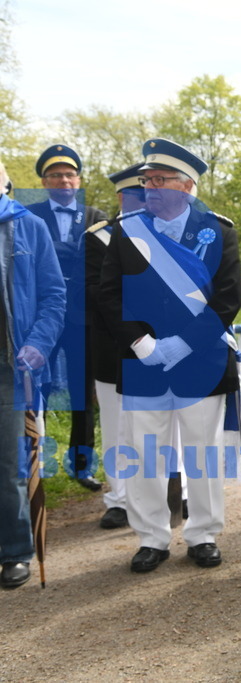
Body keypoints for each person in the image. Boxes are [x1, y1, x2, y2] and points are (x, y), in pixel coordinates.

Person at [98, 138, 241, 573]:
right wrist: (142, 344)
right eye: (147, 180)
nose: (150, 188)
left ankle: (203, 533)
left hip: (201, 360)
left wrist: (182, 344)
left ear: (186, 185)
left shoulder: (218, 230)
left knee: (202, 452)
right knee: (144, 454)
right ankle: (152, 538)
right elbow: (108, 295)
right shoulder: (126, 231)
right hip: (144, 362)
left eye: (159, 180)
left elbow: (228, 299)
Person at [0, 159, 66, 589]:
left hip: (9, 369)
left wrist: (38, 346)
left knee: (7, 466)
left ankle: (13, 551)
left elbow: (54, 296)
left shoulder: (27, 227)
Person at [26, 144, 108, 492]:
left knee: (81, 392)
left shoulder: (96, 215)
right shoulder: (27, 215)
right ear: (44, 181)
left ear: (78, 179)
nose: (63, 180)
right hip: (41, 315)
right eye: (56, 174)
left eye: (69, 174)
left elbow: (105, 264)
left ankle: (82, 465)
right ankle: (33, 463)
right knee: (35, 388)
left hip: (82, 317)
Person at [86, 163, 146, 529]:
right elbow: (96, 294)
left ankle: (178, 490)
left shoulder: (164, 231)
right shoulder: (98, 237)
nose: (142, 201)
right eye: (134, 195)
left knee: (166, 426)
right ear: (120, 197)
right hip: (112, 349)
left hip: (156, 349)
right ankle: (120, 499)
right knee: (117, 428)